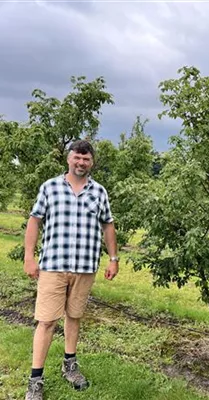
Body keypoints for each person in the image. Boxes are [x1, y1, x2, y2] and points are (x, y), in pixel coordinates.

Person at [23, 140, 119, 400]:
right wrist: (29, 257)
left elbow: (108, 225)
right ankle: (35, 380)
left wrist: (113, 258)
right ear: (69, 159)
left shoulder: (99, 192)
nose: (81, 162)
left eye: (86, 159)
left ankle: (70, 366)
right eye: (77, 157)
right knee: (46, 321)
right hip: (53, 266)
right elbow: (34, 221)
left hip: (85, 268)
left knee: (74, 316)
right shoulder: (50, 187)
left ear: (92, 162)